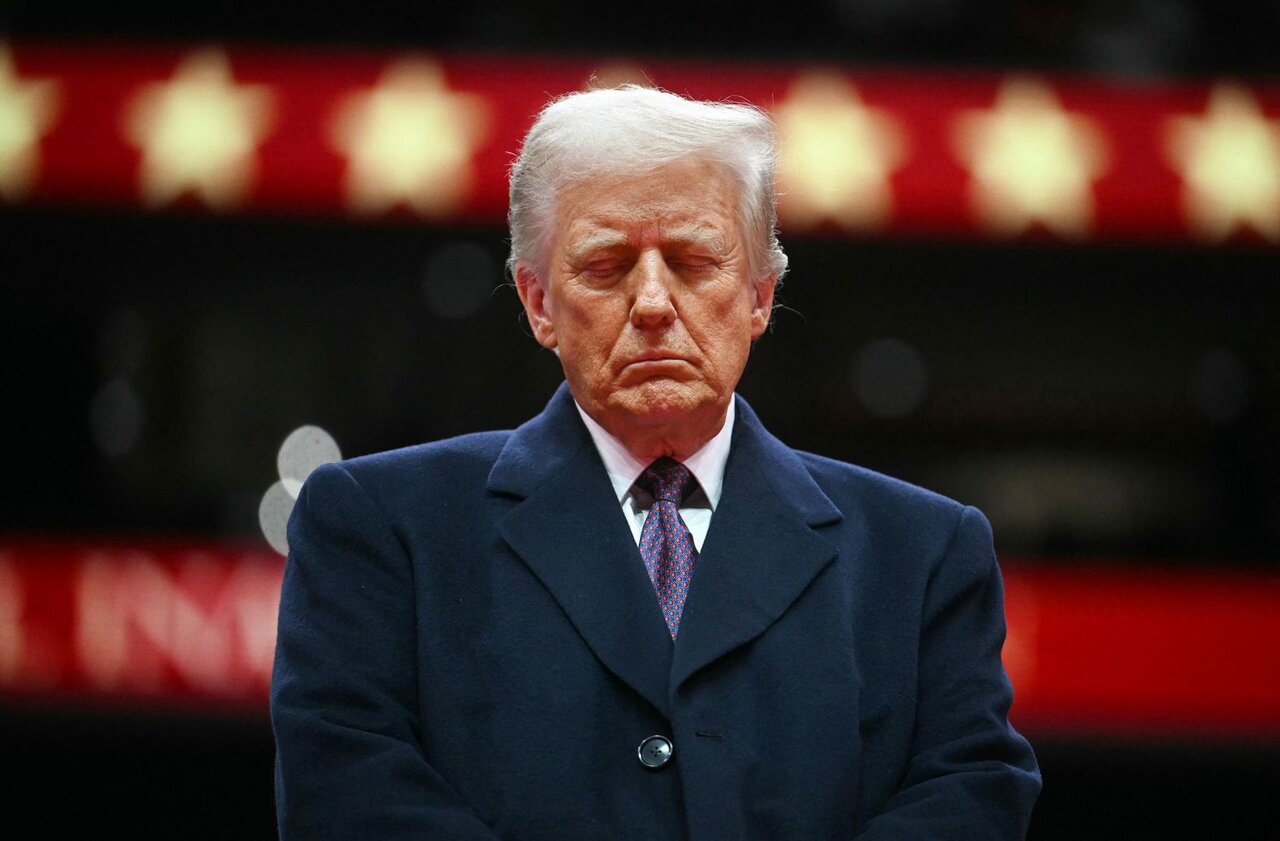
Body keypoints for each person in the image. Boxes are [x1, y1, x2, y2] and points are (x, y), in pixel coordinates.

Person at [271, 85, 1041, 839]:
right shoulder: (378, 526)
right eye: (606, 265)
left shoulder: (925, 553)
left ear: (760, 296)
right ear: (538, 302)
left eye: (693, 260)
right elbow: (347, 794)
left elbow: (971, 791)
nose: (651, 303)